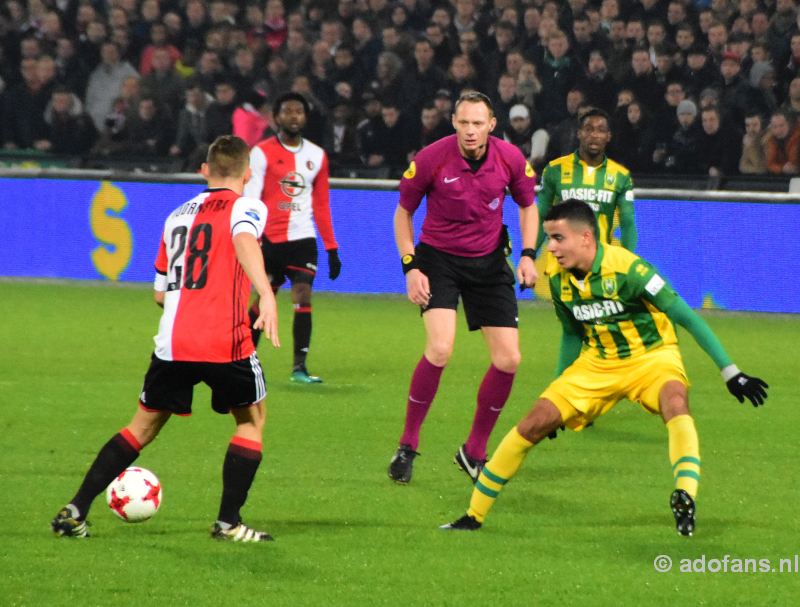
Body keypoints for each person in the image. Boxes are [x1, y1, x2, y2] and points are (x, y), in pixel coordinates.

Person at [441, 199, 768, 536]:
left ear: (586, 237)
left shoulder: (631, 270)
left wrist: (731, 372)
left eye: (557, 238)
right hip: (597, 364)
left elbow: (685, 315)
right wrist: (556, 391)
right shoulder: (557, 280)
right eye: (549, 238)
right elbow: (571, 334)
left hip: (652, 357)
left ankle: (685, 493)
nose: (550, 248)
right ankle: (473, 516)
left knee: (675, 403)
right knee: (533, 424)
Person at [51, 135, 280, 542]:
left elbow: (160, 293)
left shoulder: (177, 215)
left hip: (173, 341)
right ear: (247, 173)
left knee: (142, 426)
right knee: (251, 421)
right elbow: (244, 239)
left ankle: (75, 509)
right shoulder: (247, 206)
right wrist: (264, 292)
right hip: (224, 340)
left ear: (206, 170)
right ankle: (228, 523)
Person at [387, 91, 539, 485]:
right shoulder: (431, 159)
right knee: (440, 348)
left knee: (509, 360)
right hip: (438, 260)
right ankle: (408, 443)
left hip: (489, 263)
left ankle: (473, 451)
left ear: (491, 125)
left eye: (478, 123)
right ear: (453, 123)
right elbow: (403, 213)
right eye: (463, 123)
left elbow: (528, 205)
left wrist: (527, 254)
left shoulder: (510, 158)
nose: (470, 131)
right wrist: (410, 266)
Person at [244, 92, 341, 383]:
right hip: (270, 240)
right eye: (288, 111)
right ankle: (245, 359)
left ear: (306, 117)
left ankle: (299, 367)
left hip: (302, 239)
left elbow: (322, 205)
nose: (294, 116)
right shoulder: (260, 153)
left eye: (299, 111)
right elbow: (251, 197)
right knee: (264, 299)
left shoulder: (317, 156)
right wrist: (252, 238)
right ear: (277, 117)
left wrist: (332, 248)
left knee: (303, 294)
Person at [536, 107, 636, 256]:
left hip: (599, 265)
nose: (594, 135)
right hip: (561, 264)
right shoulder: (555, 169)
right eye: (588, 129)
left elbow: (627, 223)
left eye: (601, 130)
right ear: (579, 133)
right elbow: (541, 217)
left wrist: (628, 263)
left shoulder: (620, 176)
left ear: (608, 136)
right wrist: (529, 255)